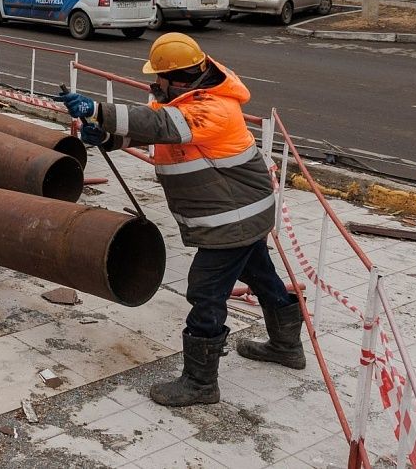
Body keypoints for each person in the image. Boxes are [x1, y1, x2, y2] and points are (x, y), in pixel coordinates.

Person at [53, 32, 303, 408]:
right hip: (242, 215)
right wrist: (106, 136)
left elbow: (167, 127)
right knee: (260, 274)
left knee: (205, 290)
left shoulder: (212, 108)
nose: (155, 84)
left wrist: (95, 109)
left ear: (178, 78)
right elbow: (158, 129)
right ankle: (286, 346)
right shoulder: (187, 101)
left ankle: (200, 384)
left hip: (231, 219)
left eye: (159, 78)